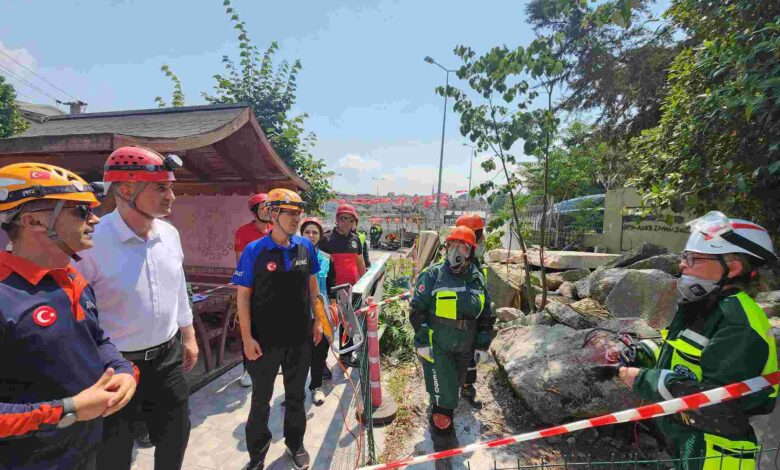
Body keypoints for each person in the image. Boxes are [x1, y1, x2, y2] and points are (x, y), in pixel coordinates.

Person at [606, 211, 777, 470]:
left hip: (716, 454)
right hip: (690, 440)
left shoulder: (739, 321)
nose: (682, 265)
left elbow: (716, 402)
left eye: (692, 258)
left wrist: (641, 379)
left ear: (732, 268)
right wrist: (641, 352)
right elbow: (679, 350)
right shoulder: (705, 306)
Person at [0, 163, 137, 469]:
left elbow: (96, 339)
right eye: (80, 211)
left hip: (84, 450)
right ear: (33, 220)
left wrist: (122, 368)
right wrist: (68, 410)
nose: (95, 219)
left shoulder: (71, 277)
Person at [77, 146, 198, 470]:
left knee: (175, 435)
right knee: (114, 452)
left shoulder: (169, 235)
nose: (171, 195)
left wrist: (188, 334)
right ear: (126, 190)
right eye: (160, 187)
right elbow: (76, 314)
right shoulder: (90, 243)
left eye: (170, 186)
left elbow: (177, 286)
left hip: (167, 359)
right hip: (115, 368)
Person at [232, 188, 324, 470]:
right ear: (273, 214)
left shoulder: (305, 247)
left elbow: (313, 287)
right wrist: (246, 338)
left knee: (296, 396)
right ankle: (257, 455)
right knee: (261, 400)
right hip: (264, 342)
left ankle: (295, 444)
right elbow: (243, 296)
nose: (297, 219)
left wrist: (318, 320)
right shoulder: (254, 251)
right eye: (290, 213)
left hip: (299, 338)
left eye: (299, 213)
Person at [409, 226, 494, 470]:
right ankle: (442, 447)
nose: (455, 251)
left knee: (451, 393)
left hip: (464, 347)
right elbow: (417, 310)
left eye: (462, 246)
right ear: (445, 249)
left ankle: (444, 422)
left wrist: (482, 343)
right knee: (443, 396)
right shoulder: (433, 275)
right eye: (451, 246)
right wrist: (423, 340)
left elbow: (486, 314)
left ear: (470, 252)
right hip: (439, 347)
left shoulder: (477, 277)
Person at [319, 203, 366, 368]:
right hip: (331, 292)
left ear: (353, 221)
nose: (345, 222)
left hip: (351, 291)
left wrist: (366, 283)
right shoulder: (326, 239)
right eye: (342, 218)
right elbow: (320, 265)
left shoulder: (356, 240)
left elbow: (360, 264)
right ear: (337, 220)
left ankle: (345, 356)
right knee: (328, 325)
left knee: (348, 324)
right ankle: (321, 362)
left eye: (349, 219)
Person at [235, 193, 273, 388]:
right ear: (254, 211)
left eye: (270, 206)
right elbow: (241, 262)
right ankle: (247, 370)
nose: (269, 210)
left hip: (273, 292)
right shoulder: (243, 232)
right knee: (249, 331)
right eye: (264, 206)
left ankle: (269, 363)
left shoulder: (276, 230)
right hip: (252, 289)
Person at [453, 213, 488, 409]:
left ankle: (467, 387)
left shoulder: (477, 267)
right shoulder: (453, 266)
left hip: (471, 323)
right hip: (452, 323)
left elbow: (484, 300)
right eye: (480, 236)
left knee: (470, 357)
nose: (483, 241)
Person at [300, 217, 337, 405]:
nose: (311, 235)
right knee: (298, 353)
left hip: (321, 313)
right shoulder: (292, 257)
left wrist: (333, 308)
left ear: (320, 236)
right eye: (307, 232)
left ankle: (316, 386)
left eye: (315, 232)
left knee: (319, 351)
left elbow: (331, 287)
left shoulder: (327, 259)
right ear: (301, 234)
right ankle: (295, 391)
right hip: (298, 312)